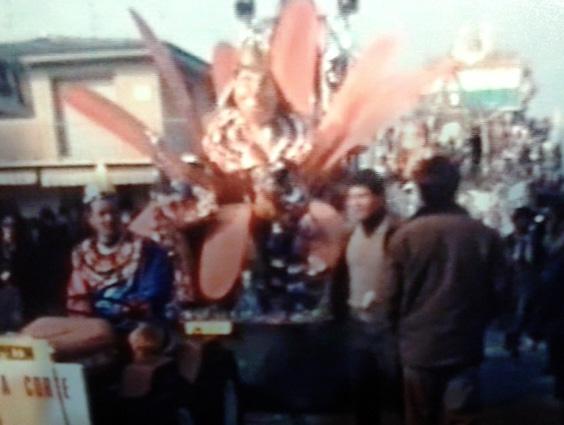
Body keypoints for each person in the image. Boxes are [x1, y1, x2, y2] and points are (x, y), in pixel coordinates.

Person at [383, 155, 504, 425]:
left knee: (420, 417)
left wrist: (394, 334)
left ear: (422, 190)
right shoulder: (483, 235)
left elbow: (390, 297)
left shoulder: (404, 237)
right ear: (455, 187)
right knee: (461, 417)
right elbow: (500, 293)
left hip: (417, 347)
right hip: (464, 343)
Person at [66, 187, 175, 332]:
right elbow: (77, 297)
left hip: (139, 323)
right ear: (90, 219)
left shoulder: (146, 248)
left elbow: (155, 292)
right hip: (96, 325)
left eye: (113, 212)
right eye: (102, 214)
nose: (109, 219)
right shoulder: (82, 253)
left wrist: (125, 308)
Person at [344, 169, 402, 425]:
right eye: (352, 197)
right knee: (362, 396)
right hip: (358, 324)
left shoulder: (397, 232)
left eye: (363, 196)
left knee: (396, 396)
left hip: (390, 327)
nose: (356, 203)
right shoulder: (350, 233)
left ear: (379, 198)